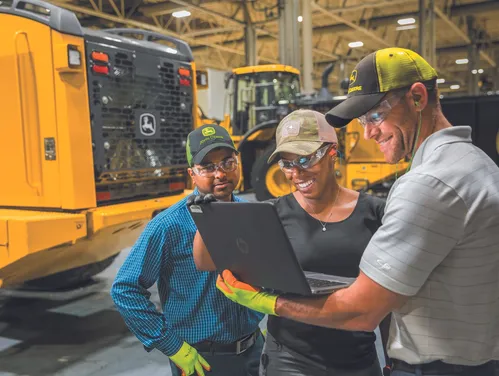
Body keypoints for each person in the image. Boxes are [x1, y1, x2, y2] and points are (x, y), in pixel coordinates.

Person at [215, 47, 499, 376]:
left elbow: (360, 312)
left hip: (438, 365)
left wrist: (269, 303)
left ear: (417, 98)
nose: (368, 132)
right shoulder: (478, 164)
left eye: (375, 115)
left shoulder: (427, 185)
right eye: (363, 120)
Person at [193, 110, 387, 376]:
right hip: (290, 359)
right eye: (287, 163)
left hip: (358, 357)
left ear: (332, 153)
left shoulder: (375, 213)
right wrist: (209, 218)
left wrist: (394, 360)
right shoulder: (271, 213)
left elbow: (389, 297)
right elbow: (205, 261)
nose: (296, 173)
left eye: (306, 159)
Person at [111, 124, 265, 376]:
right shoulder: (168, 225)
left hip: (253, 351)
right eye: (208, 167)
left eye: (227, 162)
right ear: (192, 174)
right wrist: (172, 346)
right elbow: (125, 289)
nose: (220, 174)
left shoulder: (249, 213)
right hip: (202, 360)